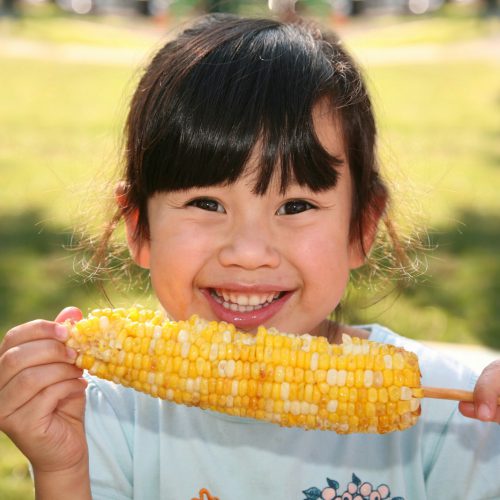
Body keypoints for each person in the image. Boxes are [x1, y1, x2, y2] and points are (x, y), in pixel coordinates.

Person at [0, 14, 499, 500]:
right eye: (206, 203)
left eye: (296, 205)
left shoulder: (451, 413)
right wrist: (62, 470)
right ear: (139, 227)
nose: (248, 253)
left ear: (361, 228)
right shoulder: (106, 419)